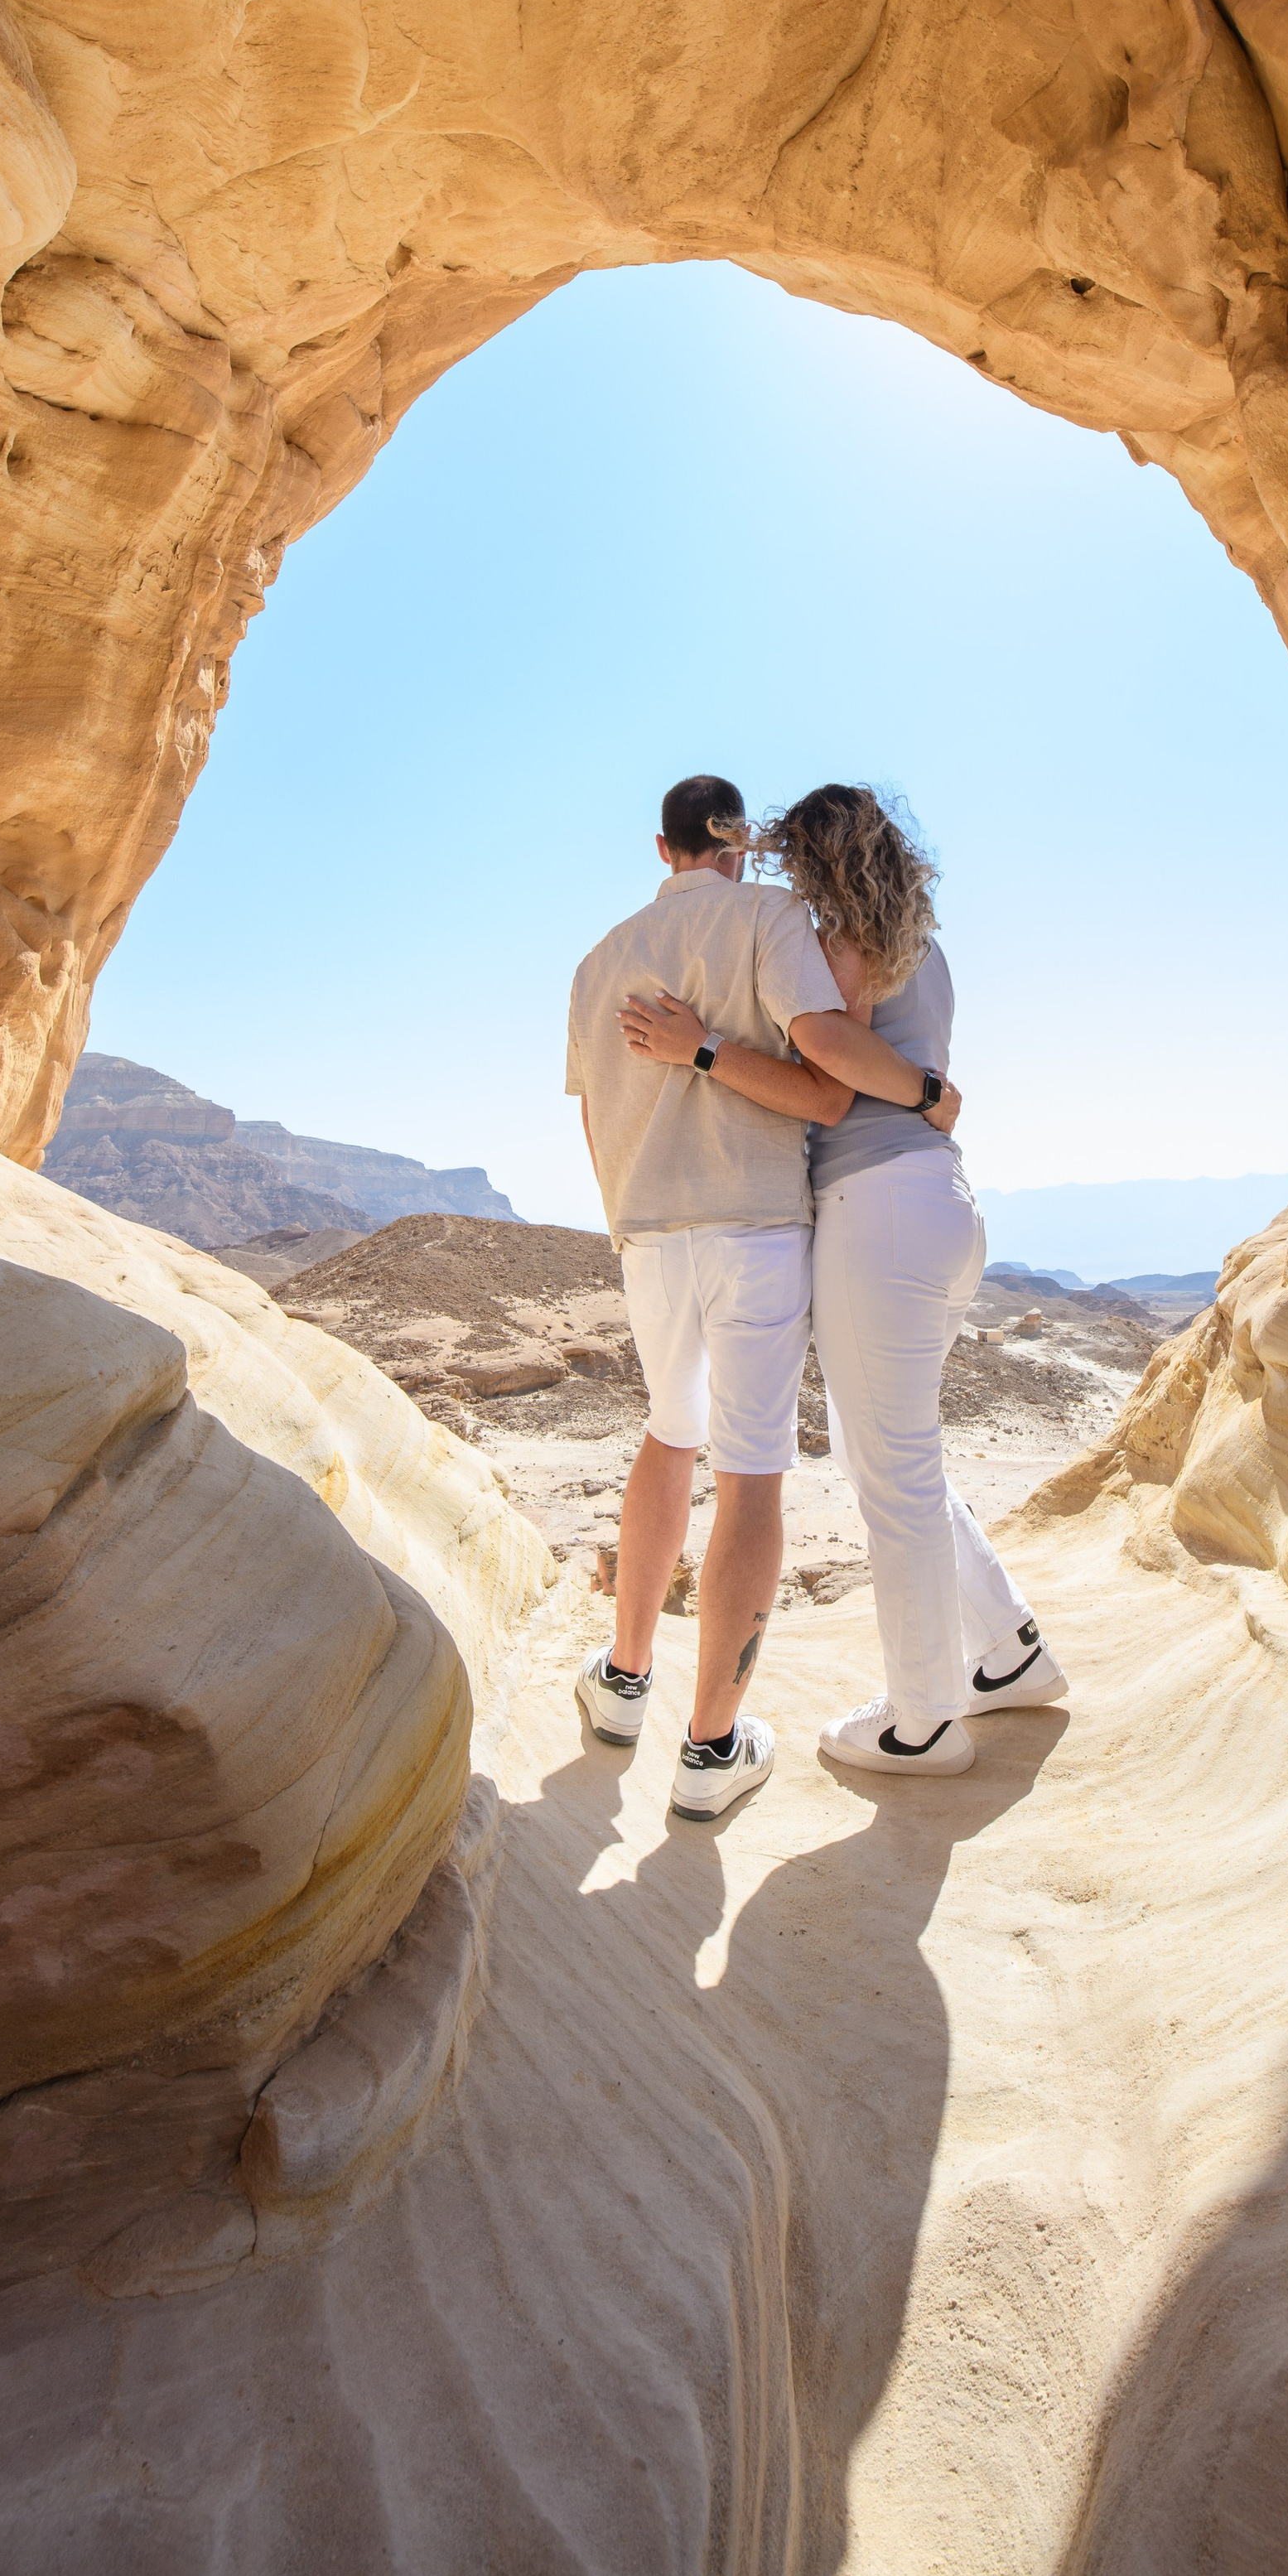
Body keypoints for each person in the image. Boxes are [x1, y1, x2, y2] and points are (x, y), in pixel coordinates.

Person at [624, 784, 1064, 1780]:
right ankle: (1010, 1654)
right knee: (895, 1458)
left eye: (794, 864)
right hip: (935, 1206)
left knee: (895, 1479)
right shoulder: (922, 940)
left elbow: (825, 1051)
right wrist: (932, 1094)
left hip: (879, 1212)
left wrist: (700, 1044)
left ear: (823, 863)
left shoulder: (846, 940)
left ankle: (923, 1722)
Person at [566, 774, 960, 1821]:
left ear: (663, 848)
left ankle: (621, 1682)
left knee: (666, 1436)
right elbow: (828, 1082)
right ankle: (709, 1751)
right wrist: (923, 1094)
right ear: (739, 842)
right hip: (755, 1226)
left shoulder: (597, 959)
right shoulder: (772, 918)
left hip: (646, 1233)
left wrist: (627, 1215)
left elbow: (594, 1121)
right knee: (749, 1477)